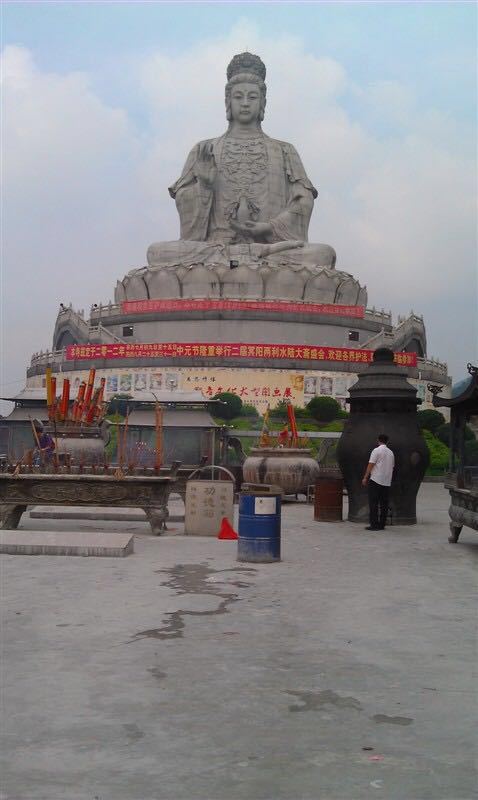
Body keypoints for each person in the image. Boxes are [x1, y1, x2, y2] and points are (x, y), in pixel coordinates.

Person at [146, 52, 336, 270]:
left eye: (252, 97)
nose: (245, 103)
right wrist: (204, 188)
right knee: (157, 253)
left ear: (263, 101)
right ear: (228, 101)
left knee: (323, 255)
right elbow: (190, 233)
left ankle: (252, 257)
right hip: (215, 250)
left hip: (270, 251)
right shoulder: (204, 149)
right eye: (238, 97)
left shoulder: (284, 150)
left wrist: (268, 227)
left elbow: (303, 203)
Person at [361, 434, 395, 531]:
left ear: (378, 440)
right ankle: (382, 524)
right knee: (384, 503)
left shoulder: (376, 450)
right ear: (387, 441)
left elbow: (371, 464)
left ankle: (374, 524)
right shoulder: (391, 453)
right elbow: (392, 467)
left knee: (373, 503)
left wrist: (365, 477)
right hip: (386, 481)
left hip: (376, 480)